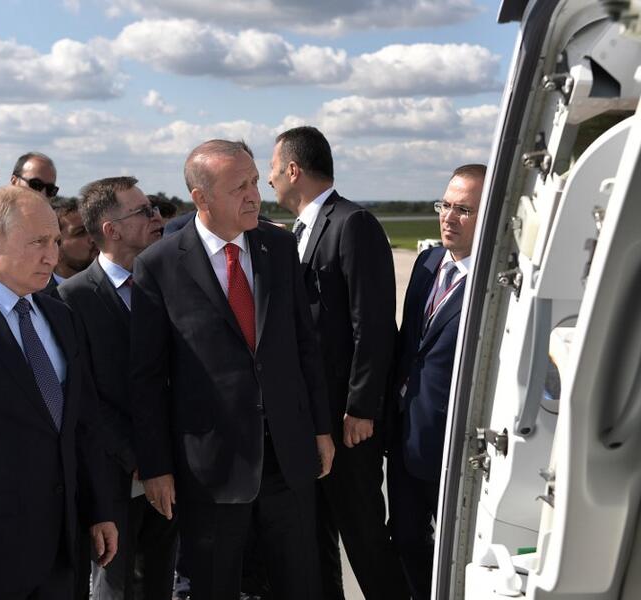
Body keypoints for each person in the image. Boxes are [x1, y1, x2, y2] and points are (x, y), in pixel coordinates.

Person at [130, 139, 334, 600]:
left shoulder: (279, 248)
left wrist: (320, 429)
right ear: (201, 198)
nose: (255, 195)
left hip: (287, 455)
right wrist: (157, 467)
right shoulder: (159, 266)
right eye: (239, 186)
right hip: (211, 470)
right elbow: (146, 379)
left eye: (257, 181)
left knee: (299, 582)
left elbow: (305, 346)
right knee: (213, 585)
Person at [0, 186, 122, 599]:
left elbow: (83, 423)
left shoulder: (60, 315)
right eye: (37, 242)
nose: (51, 256)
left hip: (62, 545)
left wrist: (99, 509)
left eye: (55, 241)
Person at [268, 125, 407, 599]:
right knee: (317, 537)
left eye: (271, 170)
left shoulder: (352, 223)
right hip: (314, 420)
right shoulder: (297, 233)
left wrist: (362, 408)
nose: (268, 182)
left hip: (349, 422)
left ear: (292, 169)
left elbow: (372, 324)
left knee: (363, 534)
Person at [58, 177, 175, 600]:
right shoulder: (72, 300)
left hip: (171, 468)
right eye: (144, 211)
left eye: (156, 207)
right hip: (112, 477)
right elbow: (84, 399)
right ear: (111, 230)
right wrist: (141, 459)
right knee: (115, 585)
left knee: (160, 580)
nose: (157, 217)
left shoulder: (168, 285)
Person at [388, 164, 485, 600]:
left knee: (457, 549)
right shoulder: (427, 262)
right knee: (405, 538)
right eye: (445, 205)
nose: (449, 217)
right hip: (407, 433)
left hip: (454, 445)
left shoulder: (492, 284)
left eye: (464, 209)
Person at [50, 196, 98, 285]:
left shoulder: (119, 286)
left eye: (93, 229)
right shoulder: (35, 296)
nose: (93, 239)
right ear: (55, 248)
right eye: (80, 232)